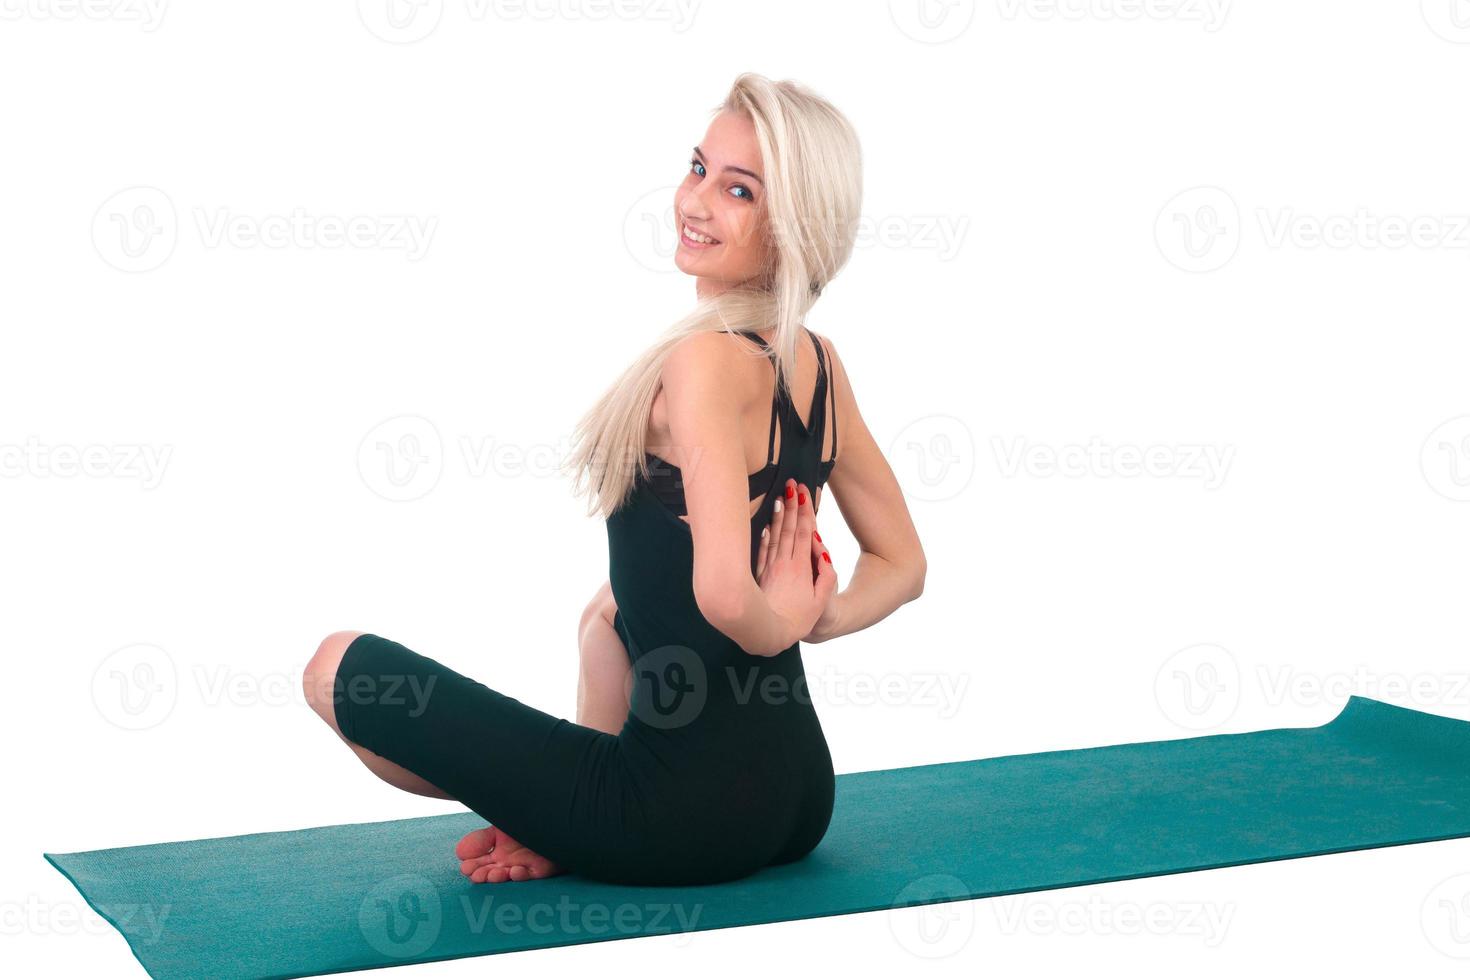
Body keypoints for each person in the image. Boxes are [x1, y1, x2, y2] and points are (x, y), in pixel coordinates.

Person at [302, 73, 926, 886]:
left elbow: (727, 599)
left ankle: (577, 816)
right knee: (605, 611)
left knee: (334, 667)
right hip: (801, 799)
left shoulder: (703, 361)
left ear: (794, 225)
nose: (696, 201)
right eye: (697, 167)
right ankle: (563, 823)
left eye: (738, 190)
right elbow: (905, 563)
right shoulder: (818, 361)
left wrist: (789, 618)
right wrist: (825, 612)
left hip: (686, 818)